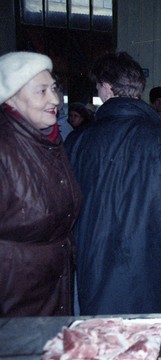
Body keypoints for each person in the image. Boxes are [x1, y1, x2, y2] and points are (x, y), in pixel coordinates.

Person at [65, 51, 161, 315]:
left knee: (104, 345)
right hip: (154, 268)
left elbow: (66, 210)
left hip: (95, 268)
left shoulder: (78, 142)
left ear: (106, 87)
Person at [0, 51, 81, 316]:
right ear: (11, 97)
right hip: (15, 298)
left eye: (54, 90)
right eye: (42, 91)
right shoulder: (5, 148)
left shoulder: (49, 141)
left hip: (55, 286)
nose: (55, 100)